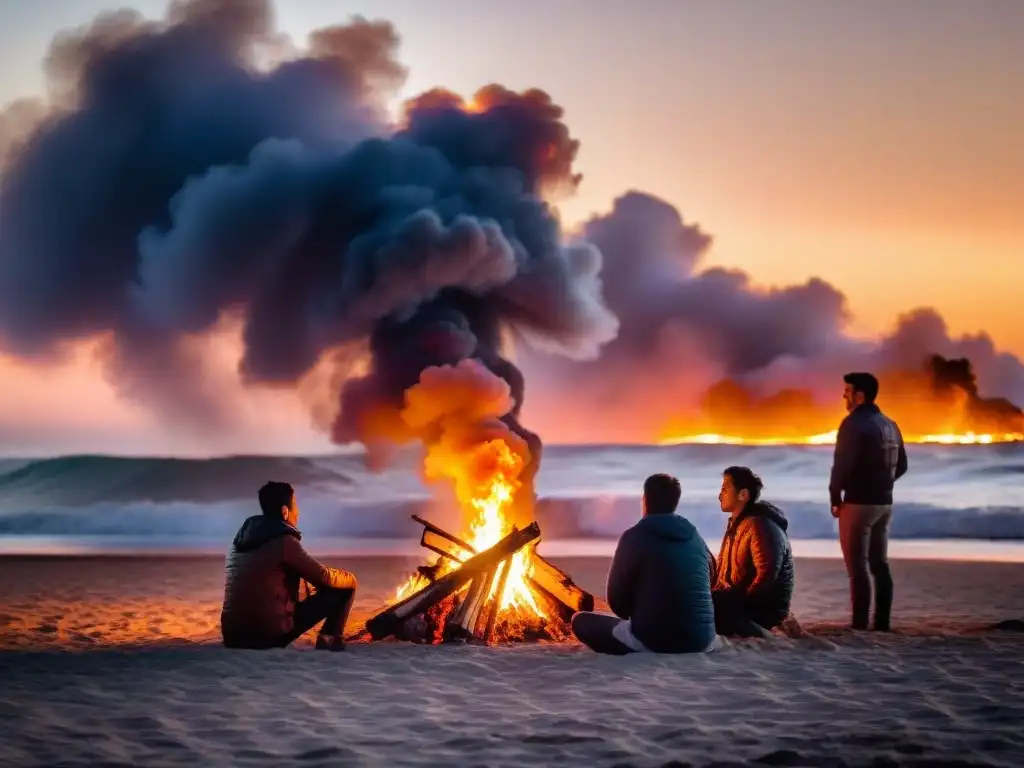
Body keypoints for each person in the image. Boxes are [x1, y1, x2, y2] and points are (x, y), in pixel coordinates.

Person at [571, 473, 718, 655]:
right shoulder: (695, 536)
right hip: (702, 640)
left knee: (580, 621)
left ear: (645, 500)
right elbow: (712, 577)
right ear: (676, 502)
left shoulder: (634, 536)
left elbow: (617, 602)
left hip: (654, 640)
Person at [220, 481, 358, 650]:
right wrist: (350, 578)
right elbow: (323, 577)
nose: (298, 513)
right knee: (344, 588)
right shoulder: (284, 541)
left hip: (232, 636)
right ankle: (329, 639)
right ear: (285, 512)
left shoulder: (238, 542)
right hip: (266, 637)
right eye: (295, 506)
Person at [829, 371, 908, 631]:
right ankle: (882, 622)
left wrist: (835, 497)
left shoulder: (853, 424)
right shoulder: (890, 423)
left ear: (859, 395)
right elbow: (902, 466)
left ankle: (860, 624)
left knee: (857, 566)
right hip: (884, 504)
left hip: (858, 504)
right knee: (879, 563)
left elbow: (842, 466)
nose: (844, 395)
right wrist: (882, 485)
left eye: (847, 391)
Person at [713, 466, 794, 638]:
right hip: (738, 605)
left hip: (760, 613)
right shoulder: (737, 525)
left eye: (725, 490)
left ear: (743, 495)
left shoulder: (760, 526)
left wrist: (735, 606)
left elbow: (766, 576)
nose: (720, 496)